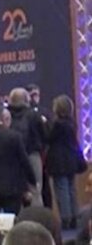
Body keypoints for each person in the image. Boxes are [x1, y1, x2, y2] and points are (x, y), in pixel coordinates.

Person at [45, 94, 85, 230]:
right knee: (71, 188)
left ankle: (65, 218)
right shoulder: (72, 123)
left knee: (61, 189)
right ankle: (75, 215)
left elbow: (49, 138)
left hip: (59, 160)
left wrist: (45, 124)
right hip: (71, 159)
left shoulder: (57, 124)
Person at [7, 88, 46, 206]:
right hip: (32, 154)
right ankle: (36, 215)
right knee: (35, 189)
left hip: (12, 157)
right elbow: (43, 134)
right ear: (26, 99)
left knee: (15, 190)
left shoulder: (6, 115)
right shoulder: (34, 114)